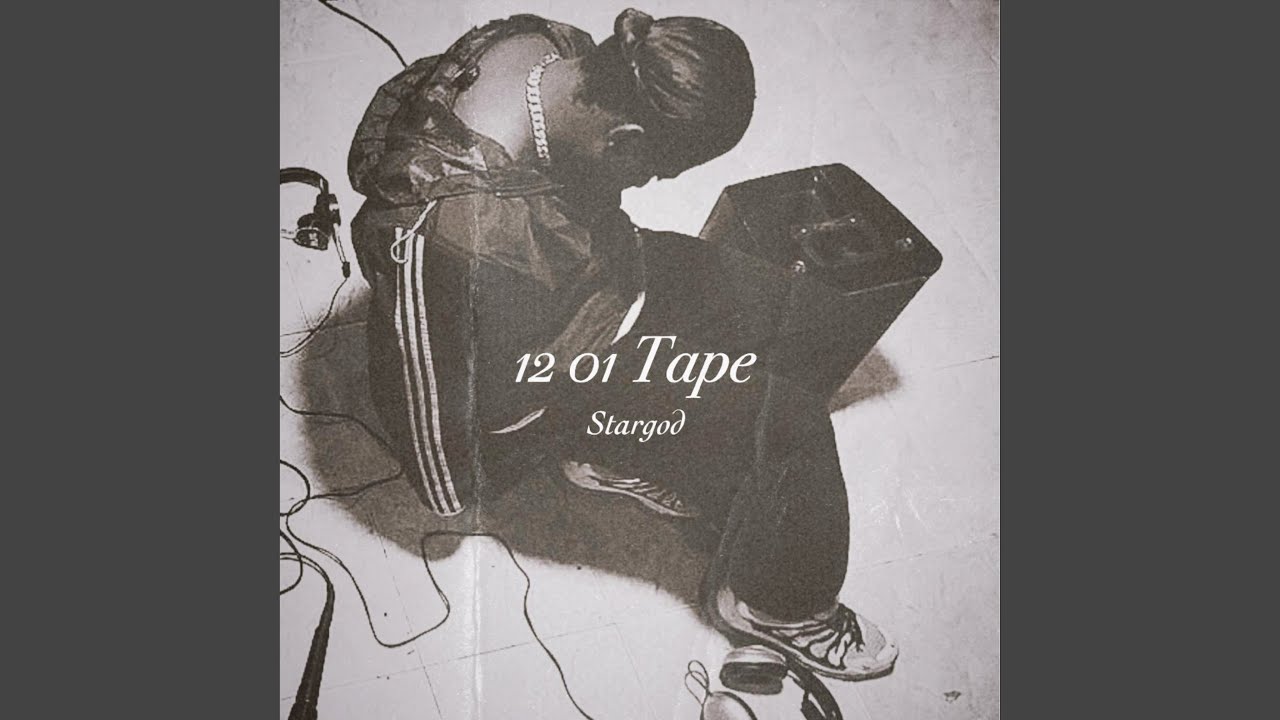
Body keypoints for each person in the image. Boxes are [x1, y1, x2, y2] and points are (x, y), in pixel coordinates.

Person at [346, 8, 897, 681]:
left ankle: (611, 455)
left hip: (594, 281)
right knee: (791, 422)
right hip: (540, 385)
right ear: (626, 141)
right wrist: (453, 488)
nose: (648, 185)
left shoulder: (546, 46)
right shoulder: (454, 233)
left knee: (783, 307)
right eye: (656, 171)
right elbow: (426, 387)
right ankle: (781, 606)